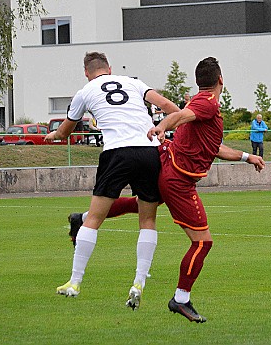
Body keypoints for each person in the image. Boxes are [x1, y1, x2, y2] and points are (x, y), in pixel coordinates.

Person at [44, 51, 179, 310]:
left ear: (87, 72)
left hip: (117, 152)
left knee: (93, 219)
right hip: (147, 149)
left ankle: (74, 282)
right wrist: (169, 126)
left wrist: (53, 136)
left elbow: (65, 131)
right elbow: (169, 107)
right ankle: (139, 281)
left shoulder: (85, 92)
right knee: (148, 219)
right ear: (110, 68)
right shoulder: (134, 82)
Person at [147, 57, 265, 323]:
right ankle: (181, 299)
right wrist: (163, 125)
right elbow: (180, 116)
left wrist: (248, 157)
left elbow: (216, 148)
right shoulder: (207, 102)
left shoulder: (202, 106)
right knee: (203, 242)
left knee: (143, 204)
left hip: (169, 168)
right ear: (220, 79)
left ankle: (84, 219)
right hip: (178, 179)